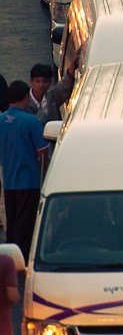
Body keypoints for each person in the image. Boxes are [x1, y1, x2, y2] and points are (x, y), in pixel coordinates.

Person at [0, 81, 50, 256]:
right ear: (25, 97)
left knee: (12, 221)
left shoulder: (1, 120)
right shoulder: (31, 121)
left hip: (8, 181)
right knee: (25, 223)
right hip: (29, 181)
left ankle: (8, 252)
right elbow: (43, 152)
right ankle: (19, 258)